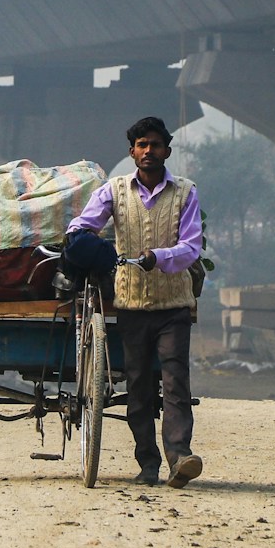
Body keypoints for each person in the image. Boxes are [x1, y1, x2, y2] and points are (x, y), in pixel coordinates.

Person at [66, 116, 206, 488]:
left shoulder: (186, 192)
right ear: (132, 152)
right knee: (139, 387)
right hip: (130, 305)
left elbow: (191, 247)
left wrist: (157, 257)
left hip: (173, 305)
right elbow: (81, 227)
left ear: (167, 151)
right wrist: (88, 246)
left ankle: (179, 458)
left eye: (155, 145)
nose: (148, 151)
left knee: (175, 381)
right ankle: (148, 464)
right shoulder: (113, 191)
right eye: (142, 145)